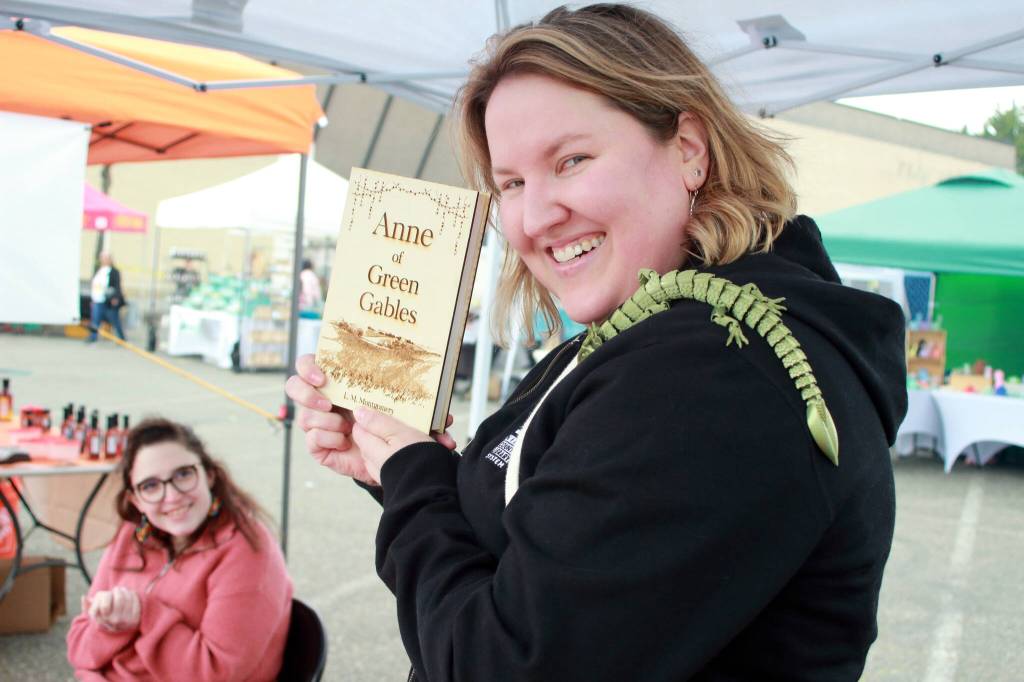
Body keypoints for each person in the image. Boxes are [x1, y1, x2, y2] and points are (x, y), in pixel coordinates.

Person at [286, 4, 907, 680]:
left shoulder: (714, 369)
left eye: (572, 160)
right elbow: (553, 535)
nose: (535, 216)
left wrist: (413, 478)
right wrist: (400, 463)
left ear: (689, 149)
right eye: (512, 183)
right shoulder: (646, 322)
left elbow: (501, 664)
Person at [67, 417, 292, 681]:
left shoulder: (247, 550)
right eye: (150, 486)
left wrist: (144, 614)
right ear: (135, 500)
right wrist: (111, 627)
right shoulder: (132, 535)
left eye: (183, 474)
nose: (172, 496)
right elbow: (80, 650)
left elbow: (216, 673)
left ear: (209, 475)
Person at [87, 251, 126, 342]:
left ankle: (121, 337)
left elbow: (117, 285)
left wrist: (115, 297)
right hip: (98, 299)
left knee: (114, 320)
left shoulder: (114, 271)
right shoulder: (99, 270)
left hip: (108, 300)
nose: (103, 260)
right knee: (95, 319)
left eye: (105, 258)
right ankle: (93, 336)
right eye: (102, 258)